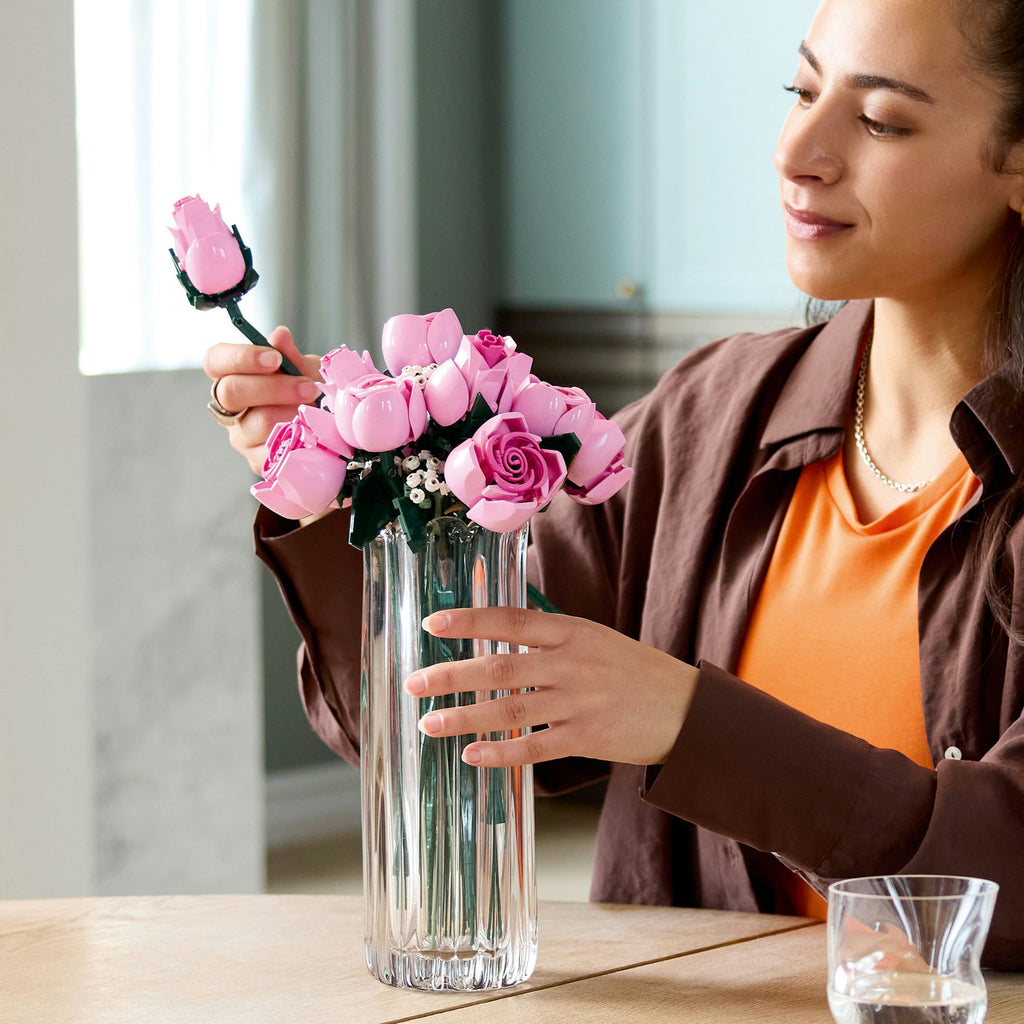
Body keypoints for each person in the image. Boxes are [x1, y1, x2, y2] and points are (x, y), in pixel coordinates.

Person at [203, 0, 1024, 968]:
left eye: (880, 120)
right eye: (800, 91)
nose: (797, 152)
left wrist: (687, 720)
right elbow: (449, 721)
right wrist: (342, 492)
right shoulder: (710, 413)